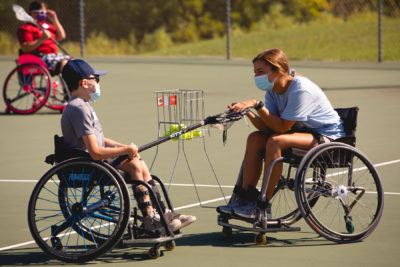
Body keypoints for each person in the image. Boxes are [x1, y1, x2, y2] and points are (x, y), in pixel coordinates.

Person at [61, 59, 196, 232]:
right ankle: (150, 218)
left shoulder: (83, 106)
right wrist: (125, 151)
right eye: (96, 79)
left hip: (91, 160)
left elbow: (100, 140)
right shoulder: (78, 109)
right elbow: (94, 152)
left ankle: (163, 213)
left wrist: (125, 148)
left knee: (138, 161)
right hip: (87, 164)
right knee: (133, 165)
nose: (98, 83)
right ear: (84, 83)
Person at [217, 48, 345, 219]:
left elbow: (282, 128)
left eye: (261, 71)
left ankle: (262, 205)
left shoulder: (301, 89)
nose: (256, 76)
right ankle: (245, 200)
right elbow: (268, 127)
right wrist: (246, 112)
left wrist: (257, 105)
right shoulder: (272, 90)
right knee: (255, 138)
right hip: (300, 132)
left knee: (276, 141)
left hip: (326, 137)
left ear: (277, 70)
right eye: (255, 72)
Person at [17, 1, 70, 74]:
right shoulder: (26, 29)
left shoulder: (46, 26)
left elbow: (61, 36)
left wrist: (54, 19)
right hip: (39, 58)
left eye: (45, 13)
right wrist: (41, 39)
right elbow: (26, 48)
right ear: (33, 13)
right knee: (64, 64)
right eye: (41, 12)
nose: (44, 15)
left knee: (74, 63)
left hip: (54, 56)